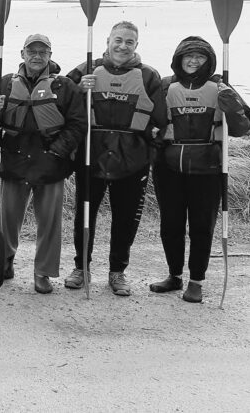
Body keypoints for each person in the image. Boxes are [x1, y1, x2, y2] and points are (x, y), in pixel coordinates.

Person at [67, 21, 166, 296]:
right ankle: (81, 267)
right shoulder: (87, 69)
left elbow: (160, 119)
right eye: (118, 40)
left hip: (132, 159)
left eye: (129, 42)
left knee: (125, 218)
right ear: (108, 41)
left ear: (136, 45)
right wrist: (78, 88)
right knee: (84, 215)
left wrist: (150, 145)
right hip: (92, 155)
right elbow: (60, 98)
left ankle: (117, 271)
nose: (123, 46)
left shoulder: (148, 76)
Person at [150, 36, 250, 303]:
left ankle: (196, 281)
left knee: (201, 226)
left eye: (200, 56)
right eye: (189, 55)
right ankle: (174, 275)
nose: (194, 61)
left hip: (207, 168)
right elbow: (150, 120)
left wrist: (232, 108)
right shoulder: (165, 86)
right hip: (169, 168)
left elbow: (243, 128)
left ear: (209, 60)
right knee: (171, 224)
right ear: (178, 59)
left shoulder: (220, 87)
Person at [0, 34, 87, 293]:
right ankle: (5, 260)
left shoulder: (64, 87)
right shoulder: (6, 83)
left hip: (50, 162)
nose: (37, 56)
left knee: (50, 223)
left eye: (43, 52)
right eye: (32, 51)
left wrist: (57, 152)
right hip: (15, 159)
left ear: (50, 56)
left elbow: (78, 124)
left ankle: (43, 272)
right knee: (8, 218)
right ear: (22, 54)